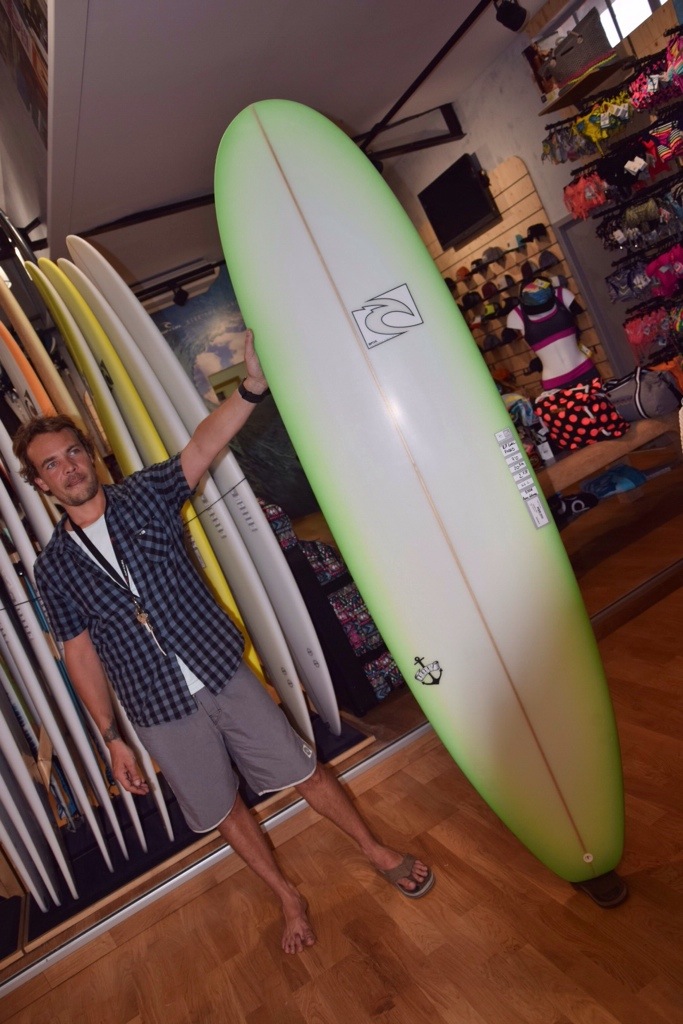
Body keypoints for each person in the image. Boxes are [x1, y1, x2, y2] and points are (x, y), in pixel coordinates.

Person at [13, 330, 433, 954]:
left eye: (73, 452)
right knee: (219, 809)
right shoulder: (54, 569)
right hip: (156, 708)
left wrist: (254, 387)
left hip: (219, 669)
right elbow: (79, 652)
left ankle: (374, 849)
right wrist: (110, 737)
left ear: (90, 455)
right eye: (51, 464)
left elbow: (204, 445)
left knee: (302, 769)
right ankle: (286, 896)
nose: (68, 467)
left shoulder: (145, 495)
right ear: (41, 484)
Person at [506, 276, 600, 392]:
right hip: (555, 383)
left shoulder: (562, 295)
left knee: (603, 403)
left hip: (584, 370)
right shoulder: (515, 316)